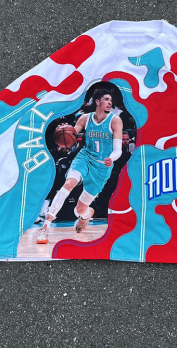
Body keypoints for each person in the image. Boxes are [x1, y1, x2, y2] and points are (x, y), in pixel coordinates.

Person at [36, 89, 123, 243]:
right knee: (68, 184)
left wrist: (111, 158)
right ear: (97, 102)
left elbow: (118, 150)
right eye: (106, 99)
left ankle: (85, 215)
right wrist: (63, 133)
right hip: (85, 157)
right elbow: (71, 136)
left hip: (102, 167)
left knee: (79, 209)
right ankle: (45, 227)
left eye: (111, 100)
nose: (110, 102)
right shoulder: (85, 118)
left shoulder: (115, 121)